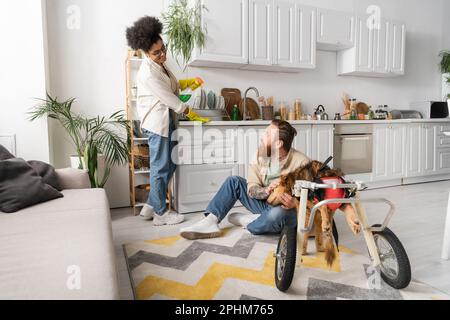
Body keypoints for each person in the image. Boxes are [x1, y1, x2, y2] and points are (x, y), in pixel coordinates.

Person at [180, 120, 311, 240]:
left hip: (283, 209)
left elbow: (314, 199)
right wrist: (266, 190)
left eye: (266, 135)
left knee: (278, 214)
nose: (262, 137)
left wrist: (295, 203)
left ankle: (253, 223)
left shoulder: (302, 163)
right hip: (262, 203)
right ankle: (210, 221)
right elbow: (251, 187)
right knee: (234, 181)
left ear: (278, 143)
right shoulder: (260, 155)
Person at [126, 16, 188, 226]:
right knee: (161, 168)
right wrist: (186, 108)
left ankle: (151, 204)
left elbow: (170, 86)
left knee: (170, 163)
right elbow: (168, 97)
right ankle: (161, 214)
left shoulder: (159, 65)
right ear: (145, 52)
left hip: (165, 121)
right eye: (157, 52)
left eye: (163, 49)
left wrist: (186, 83)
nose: (163, 54)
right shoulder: (147, 72)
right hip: (157, 123)